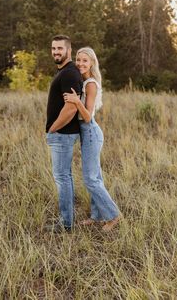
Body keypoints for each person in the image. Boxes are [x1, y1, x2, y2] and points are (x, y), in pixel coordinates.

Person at [63, 47, 122, 232]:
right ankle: (97, 216)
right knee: (95, 177)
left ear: (92, 63)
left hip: (90, 132)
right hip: (87, 133)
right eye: (78, 60)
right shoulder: (82, 80)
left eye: (85, 61)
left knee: (90, 179)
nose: (80, 63)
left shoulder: (90, 84)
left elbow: (87, 116)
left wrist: (76, 101)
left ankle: (114, 215)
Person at [46, 35, 83, 232]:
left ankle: (66, 223)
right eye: (53, 48)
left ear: (69, 50)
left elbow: (71, 109)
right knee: (65, 176)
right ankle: (67, 221)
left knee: (62, 177)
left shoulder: (69, 73)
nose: (56, 52)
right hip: (63, 134)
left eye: (60, 48)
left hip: (62, 134)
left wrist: (53, 128)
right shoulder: (65, 72)